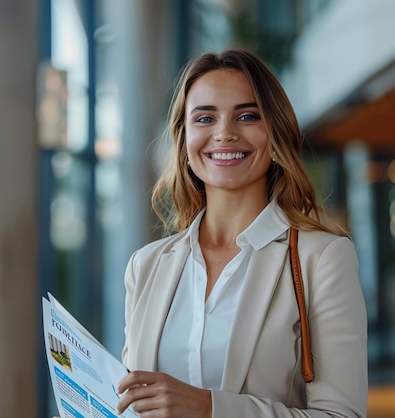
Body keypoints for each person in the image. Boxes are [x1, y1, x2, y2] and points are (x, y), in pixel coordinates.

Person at [117, 48, 367, 417]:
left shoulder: (322, 258)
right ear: (185, 140)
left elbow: (342, 415)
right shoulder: (146, 266)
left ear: (275, 133)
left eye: (247, 116)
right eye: (205, 118)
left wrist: (209, 408)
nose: (225, 134)